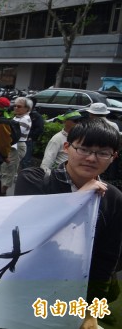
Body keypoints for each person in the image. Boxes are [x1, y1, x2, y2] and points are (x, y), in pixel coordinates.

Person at [16, 119, 122, 329]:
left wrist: (92, 311)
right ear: (67, 147)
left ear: (113, 157)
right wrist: (80, 197)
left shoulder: (113, 198)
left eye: (103, 153)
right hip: (23, 288)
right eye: (83, 149)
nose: (91, 158)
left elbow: (106, 259)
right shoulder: (34, 180)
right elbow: (34, 232)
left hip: (74, 295)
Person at [0, 97, 32, 196]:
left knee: (9, 170)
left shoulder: (24, 119)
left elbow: (13, 134)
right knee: (5, 168)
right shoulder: (17, 117)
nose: (16, 108)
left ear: (27, 108)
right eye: (15, 106)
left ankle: (1, 193)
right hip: (13, 145)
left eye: (19, 106)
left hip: (17, 145)